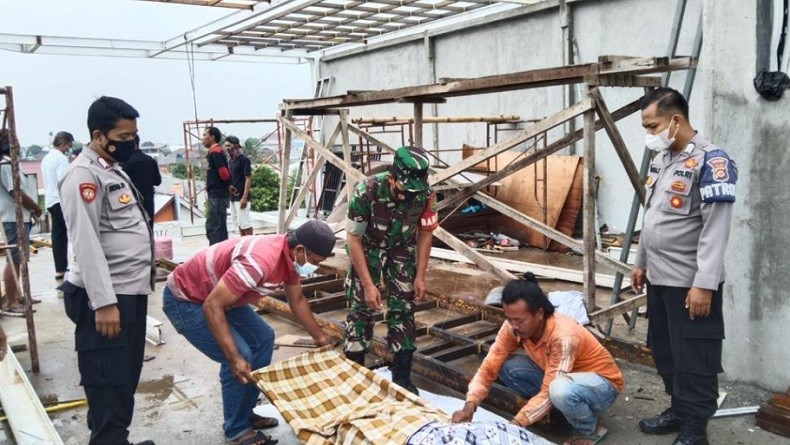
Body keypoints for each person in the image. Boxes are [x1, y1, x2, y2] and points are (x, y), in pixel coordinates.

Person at [162, 220, 335, 445]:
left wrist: (320, 337)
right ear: (300, 250)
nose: (315, 267)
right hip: (187, 300)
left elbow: (297, 300)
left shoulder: (291, 259)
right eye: (314, 261)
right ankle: (236, 429)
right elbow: (212, 306)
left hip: (220, 299)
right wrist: (233, 357)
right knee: (240, 355)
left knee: (264, 338)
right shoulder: (260, 261)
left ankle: (246, 412)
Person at [632, 87, 737, 445]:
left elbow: (715, 229)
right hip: (659, 278)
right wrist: (640, 261)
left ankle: (696, 427)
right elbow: (654, 218)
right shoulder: (664, 160)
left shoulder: (712, 161)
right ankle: (679, 408)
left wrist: (704, 284)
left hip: (690, 282)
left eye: (652, 125)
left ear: (675, 120)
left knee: (696, 357)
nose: (649, 134)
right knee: (665, 350)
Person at [58, 96, 155, 445]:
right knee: (108, 385)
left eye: (134, 134)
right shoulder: (82, 175)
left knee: (123, 381)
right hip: (106, 298)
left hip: (129, 291)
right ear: (99, 135)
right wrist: (104, 303)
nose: (132, 142)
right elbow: (85, 244)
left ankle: (118, 440)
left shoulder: (109, 168)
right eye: (125, 136)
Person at [451, 274, 623, 445]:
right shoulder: (512, 326)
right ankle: (561, 407)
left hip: (603, 386)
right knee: (506, 367)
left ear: (539, 313)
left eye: (519, 320)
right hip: (562, 377)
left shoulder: (563, 336)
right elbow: (489, 366)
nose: (514, 325)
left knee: (558, 391)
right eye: (509, 319)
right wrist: (470, 405)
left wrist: (515, 424)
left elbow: (550, 390)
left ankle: (589, 429)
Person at [343, 146, 438, 394]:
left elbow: (425, 234)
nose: (408, 197)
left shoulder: (425, 194)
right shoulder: (366, 192)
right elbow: (353, 239)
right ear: (392, 178)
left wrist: (420, 276)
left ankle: (402, 378)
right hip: (368, 248)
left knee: (403, 309)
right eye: (404, 190)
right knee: (361, 309)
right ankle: (356, 378)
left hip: (401, 249)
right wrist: (367, 284)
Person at [0, 129, 42, 317]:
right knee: (14, 259)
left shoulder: (12, 164)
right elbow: (16, 193)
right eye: (14, 140)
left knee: (20, 259)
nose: (17, 144)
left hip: (20, 216)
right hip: (12, 217)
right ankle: (11, 301)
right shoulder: (5, 166)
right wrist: (35, 207)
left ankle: (18, 294)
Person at [42, 131, 73, 280]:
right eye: (69, 145)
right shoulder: (61, 159)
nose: (69, 148)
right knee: (73, 232)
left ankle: (60, 268)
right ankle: (74, 264)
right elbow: (64, 181)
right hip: (61, 200)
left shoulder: (46, 158)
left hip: (50, 200)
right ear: (64, 143)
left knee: (58, 235)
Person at [120, 137, 162, 229]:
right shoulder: (150, 160)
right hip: (149, 202)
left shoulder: (124, 162)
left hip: (130, 204)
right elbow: (157, 181)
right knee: (149, 232)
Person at [203, 126, 230, 245]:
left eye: (205, 135)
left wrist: (225, 184)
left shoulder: (215, 152)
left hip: (217, 195)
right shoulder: (216, 151)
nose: (202, 138)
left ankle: (215, 254)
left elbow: (224, 174)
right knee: (220, 227)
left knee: (214, 227)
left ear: (212, 138)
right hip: (219, 194)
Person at [225, 135, 253, 236]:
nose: (227, 148)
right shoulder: (231, 161)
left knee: (246, 224)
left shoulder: (244, 160)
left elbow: (248, 178)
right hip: (233, 197)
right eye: (226, 146)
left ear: (236, 146)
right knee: (239, 224)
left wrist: (244, 197)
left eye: (229, 145)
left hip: (241, 197)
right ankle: (243, 244)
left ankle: (249, 246)